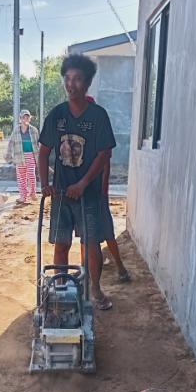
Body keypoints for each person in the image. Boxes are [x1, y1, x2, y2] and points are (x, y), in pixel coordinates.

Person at [39, 54, 115, 310]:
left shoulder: (98, 116)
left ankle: (94, 289)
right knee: (61, 244)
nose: (71, 85)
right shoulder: (56, 115)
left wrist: (83, 183)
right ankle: (60, 288)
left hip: (88, 194)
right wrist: (45, 183)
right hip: (61, 194)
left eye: (77, 79)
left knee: (91, 244)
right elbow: (44, 151)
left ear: (87, 83)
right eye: (67, 79)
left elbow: (104, 154)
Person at [85, 95, 131, 283]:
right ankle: (85, 267)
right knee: (85, 234)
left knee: (107, 232)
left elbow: (105, 164)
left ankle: (120, 268)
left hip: (97, 193)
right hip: (84, 193)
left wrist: (102, 192)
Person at [5, 109, 39, 204]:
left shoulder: (34, 130)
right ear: (20, 119)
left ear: (30, 118)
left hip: (30, 155)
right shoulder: (16, 130)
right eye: (23, 117)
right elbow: (11, 143)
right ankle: (23, 196)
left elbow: (38, 144)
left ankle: (32, 193)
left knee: (31, 175)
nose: (25, 119)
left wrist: (40, 157)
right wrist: (8, 155)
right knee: (21, 177)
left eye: (27, 117)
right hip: (19, 156)